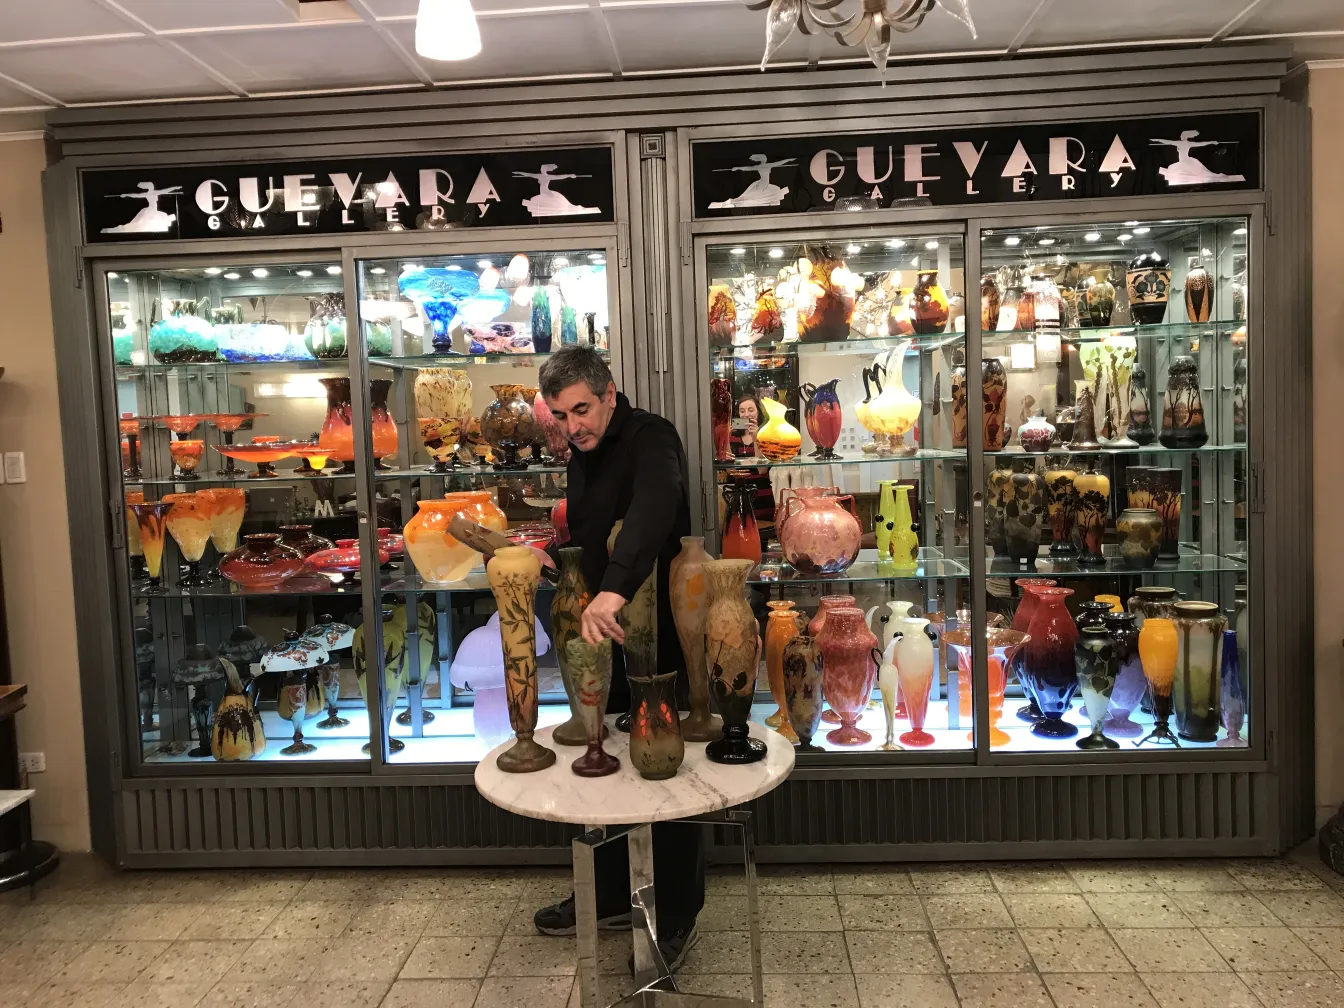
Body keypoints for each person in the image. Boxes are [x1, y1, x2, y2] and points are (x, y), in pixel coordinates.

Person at [530, 344, 704, 970]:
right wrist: (563, 561)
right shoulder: (582, 452)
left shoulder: (651, 437)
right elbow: (591, 533)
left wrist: (615, 586)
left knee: (667, 772)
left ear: (608, 395)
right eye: (560, 415)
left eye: (582, 410)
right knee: (602, 764)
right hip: (603, 630)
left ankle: (678, 913)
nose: (573, 426)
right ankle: (607, 893)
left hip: (662, 633)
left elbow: (654, 508)